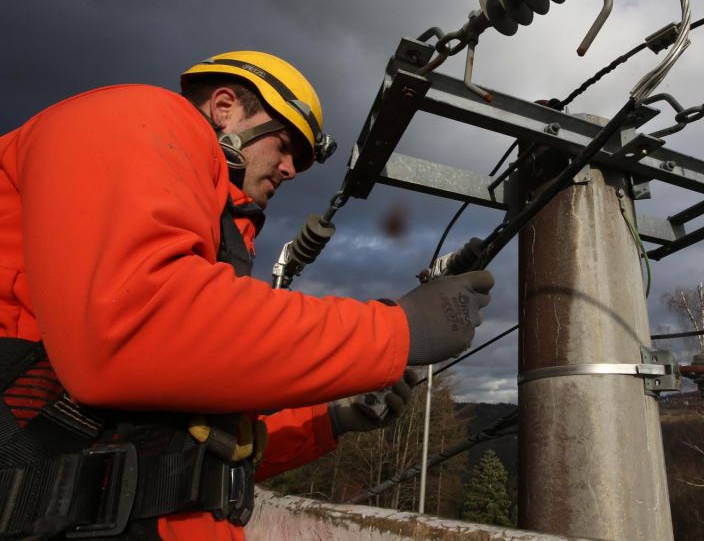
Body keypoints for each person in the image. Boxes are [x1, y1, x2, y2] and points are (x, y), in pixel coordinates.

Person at [0, 50, 494, 539]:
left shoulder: (211, 240)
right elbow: (132, 326)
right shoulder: (135, 117)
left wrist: (331, 420)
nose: (291, 169)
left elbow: (197, 451)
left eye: (301, 159)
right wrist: (396, 330)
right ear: (223, 108)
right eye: (285, 145)